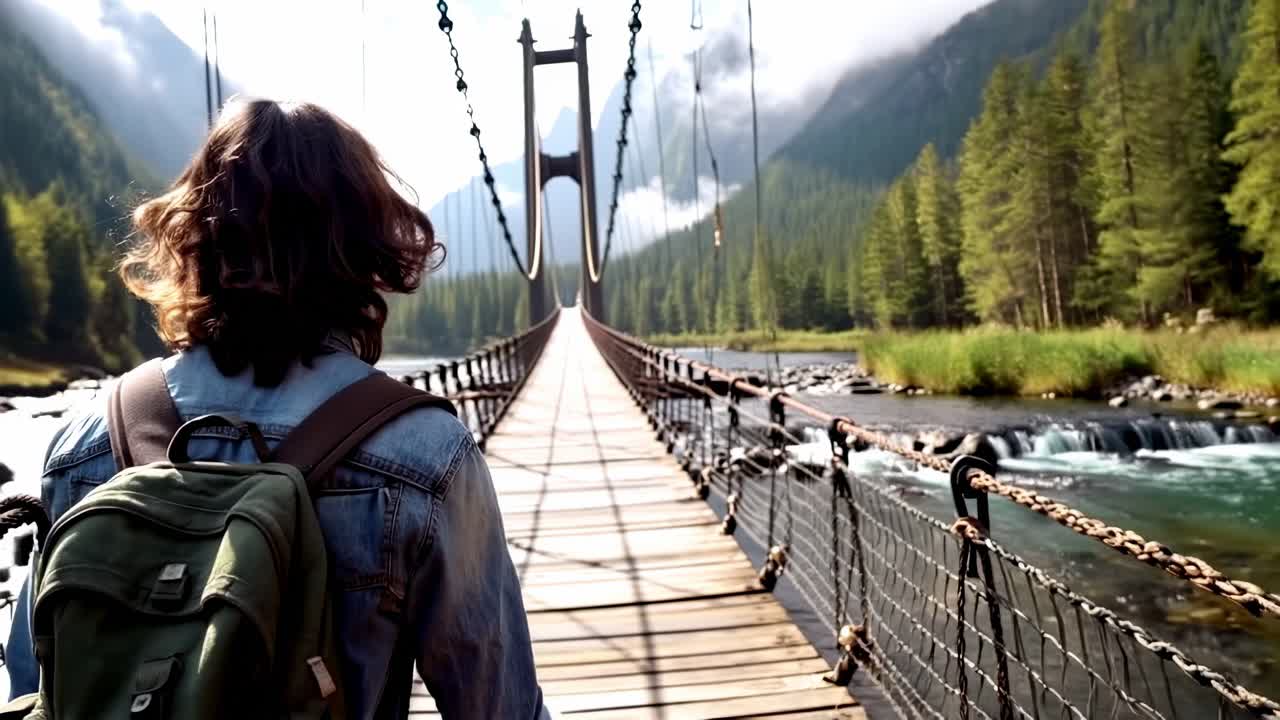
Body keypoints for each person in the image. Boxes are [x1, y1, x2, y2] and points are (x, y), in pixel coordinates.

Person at [5, 99, 547, 719]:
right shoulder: (424, 454)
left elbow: (34, 684)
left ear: (195, 243)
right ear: (364, 251)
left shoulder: (87, 439)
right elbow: (498, 705)